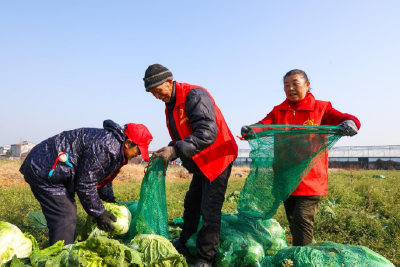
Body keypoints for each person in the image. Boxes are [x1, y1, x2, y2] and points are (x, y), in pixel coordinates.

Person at [242, 69, 361, 246]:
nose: (290, 88)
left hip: (310, 177)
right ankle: (301, 251)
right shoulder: (278, 111)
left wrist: (351, 123)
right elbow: (263, 125)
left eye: (295, 84)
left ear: (307, 85)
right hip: (285, 177)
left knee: (302, 217)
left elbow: (345, 118)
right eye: (286, 85)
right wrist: (250, 130)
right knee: (292, 219)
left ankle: (302, 257)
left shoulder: (322, 108)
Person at [144, 64, 238, 267]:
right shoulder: (171, 105)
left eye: (157, 91)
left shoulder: (194, 95)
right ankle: (186, 241)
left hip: (217, 157)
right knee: (192, 202)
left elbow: (207, 133)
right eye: (152, 93)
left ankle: (205, 258)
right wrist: (169, 149)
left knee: (210, 208)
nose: (156, 96)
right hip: (201, 161)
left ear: (169, 82)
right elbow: (184, 136)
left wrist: (176, 151)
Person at [19, 120, 153, 245]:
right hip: (44, 169)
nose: (139, 154)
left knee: (67, 211)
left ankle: (63, 249)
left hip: (56, 171)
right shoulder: (107, 147)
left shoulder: (115, 146)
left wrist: (108, 199)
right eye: (139, 150)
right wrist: (99, 212)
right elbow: (85, 184)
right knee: (65, 214)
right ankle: (59, 256)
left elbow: (100, 175)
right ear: (128, 143)